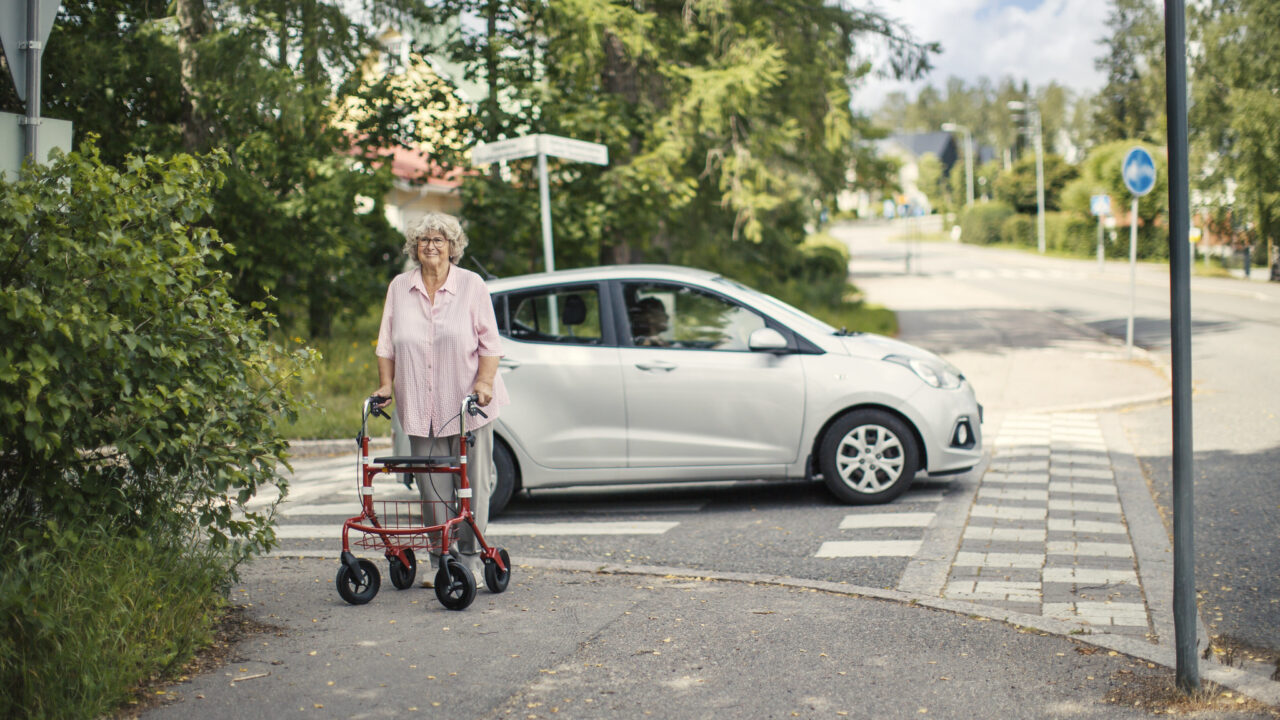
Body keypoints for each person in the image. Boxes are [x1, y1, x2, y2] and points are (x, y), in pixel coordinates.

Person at [372, 211, 508, 587]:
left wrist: (485, 381)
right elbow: (387, 343)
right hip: (419, 404)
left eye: (439, 240)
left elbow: (490, 343)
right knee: (431, 489)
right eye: (424, 240)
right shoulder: (400, 287)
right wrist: (386, 385)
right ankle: (439, 560)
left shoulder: (471, 285)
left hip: (468, 407)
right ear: (415, 247)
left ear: (452, 247)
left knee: (471, 486)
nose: (431, 246)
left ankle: (471, 560)